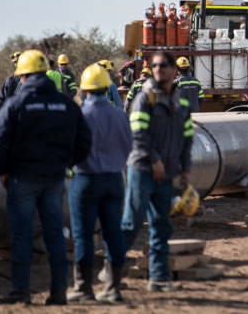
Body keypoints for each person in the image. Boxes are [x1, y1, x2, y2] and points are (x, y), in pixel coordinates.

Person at [0, 50, 92, 305]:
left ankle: (21, 291)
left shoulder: (15, 104)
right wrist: (66, 165)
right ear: (46, 74)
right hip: (54, 179)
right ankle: (58, 293)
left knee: (22, 236)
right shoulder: (66, 105)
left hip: (22, 179)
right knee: (55, 235)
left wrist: (2, 170)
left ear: (22, 77)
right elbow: (85, 142)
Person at [122, 51, 193, 291]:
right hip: (142, 170)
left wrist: (185, 169)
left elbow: (187, 137)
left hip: (167, 173)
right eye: (154, 65)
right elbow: (138, 134)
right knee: (131, 224)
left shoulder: (181, 101)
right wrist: (154, 161)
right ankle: (110, 274)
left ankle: (159, 279)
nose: (158, 69)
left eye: (163, 65)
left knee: (161, 225)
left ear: (174, 70)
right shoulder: (145, 98)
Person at [67, 64, 133, 303]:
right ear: (107, 88)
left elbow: (70, 149)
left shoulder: (81, 116)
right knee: (113, 231)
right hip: (115, 179)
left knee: (83, 234)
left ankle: (84, 288)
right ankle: (114, 288)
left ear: (83, 90)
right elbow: (128, 146)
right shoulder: (119, 115)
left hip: (86, 179)